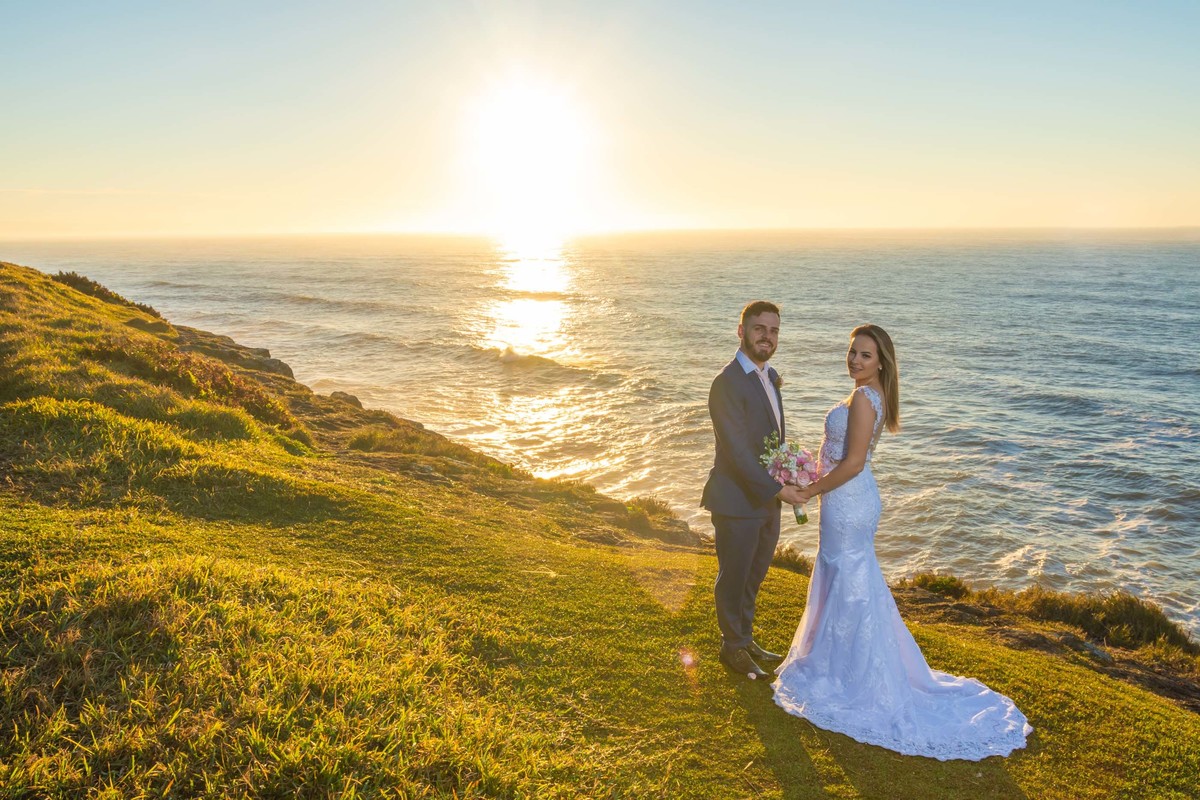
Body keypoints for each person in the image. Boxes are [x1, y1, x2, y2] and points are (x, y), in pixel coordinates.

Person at [771, 324, 1031, 760]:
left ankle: (848, 674)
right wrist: (808, 472)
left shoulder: (862, 399)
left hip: (848, 500)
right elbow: (843, 457)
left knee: (849, 579)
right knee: (849, 578)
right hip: (849, 499)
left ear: (881, 362)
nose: (855, 360)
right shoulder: (872, 395)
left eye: (865, 355)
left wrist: (808, 489)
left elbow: (852, 463)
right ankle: (841, 662)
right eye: (852, 352)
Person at [702, 301, 807, 680]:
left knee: (754, 574)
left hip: (765, 501)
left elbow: (769, 441)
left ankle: (744, 638)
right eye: (759, 328)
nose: (767, 336)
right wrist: (778, 490)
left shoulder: (770, 375)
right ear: (741, 330)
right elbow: (738, 451)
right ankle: (732, 648)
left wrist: (790, 471)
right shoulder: (726, 383)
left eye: (774, 330)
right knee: (733, 577)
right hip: (735, 500)